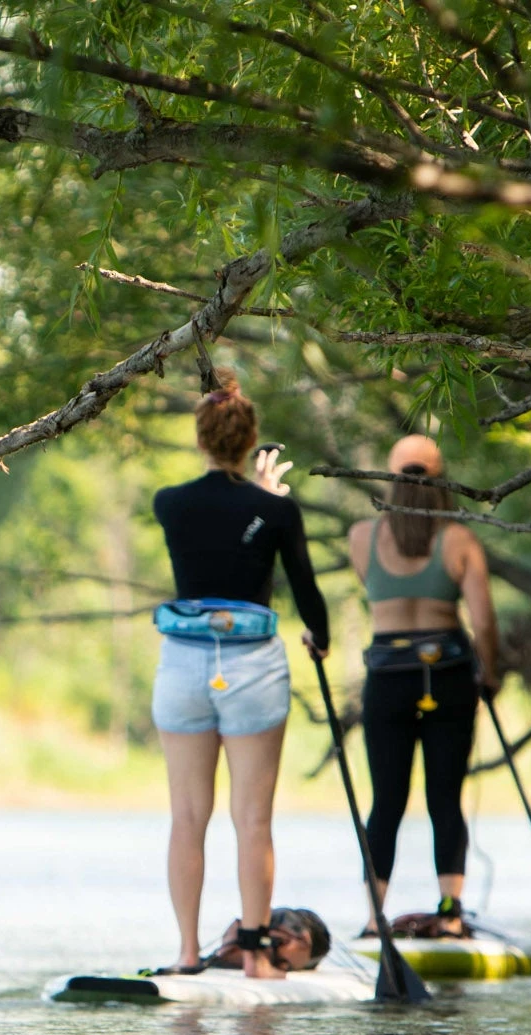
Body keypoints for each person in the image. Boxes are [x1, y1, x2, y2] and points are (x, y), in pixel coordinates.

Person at [152, 371, 330, 976]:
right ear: (252, 440)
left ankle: (184, 954)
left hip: (183, 668)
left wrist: (255, 501)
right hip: (252, 669)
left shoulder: (168, 504)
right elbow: (304, 589)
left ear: (201, 440)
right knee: (253, 817)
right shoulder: (276, 511)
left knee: (187, 817)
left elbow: (220, 530)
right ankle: (256, 956)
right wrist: (320, 639)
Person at [347, 434, 500, 936]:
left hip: (387, 680)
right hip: (449, 677)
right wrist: (492, 674)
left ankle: (374, 918)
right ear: (442, 482)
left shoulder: (362, 537)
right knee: (444, 799)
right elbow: (484, 622)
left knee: (385, 802)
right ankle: (451, 915)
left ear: (389, 481)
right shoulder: (459, 540)